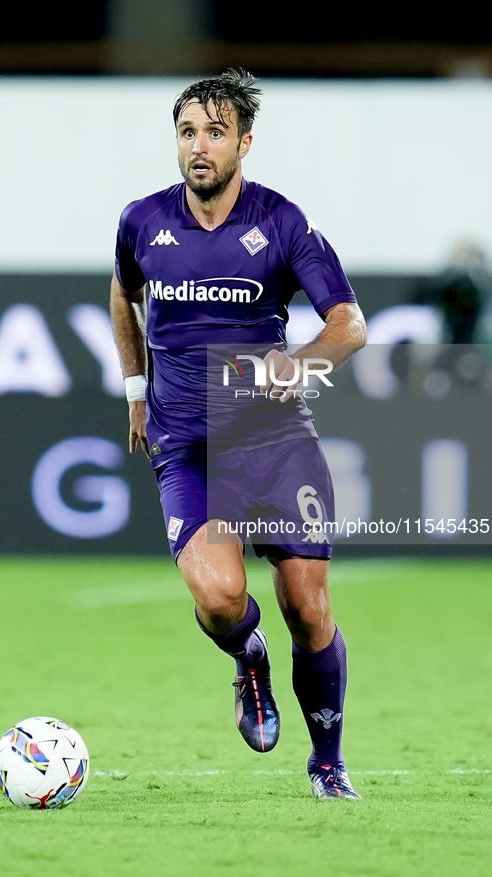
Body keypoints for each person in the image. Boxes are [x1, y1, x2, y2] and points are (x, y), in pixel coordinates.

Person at [110, 69, 367, 800]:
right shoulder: (142, 221)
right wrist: (136, 389)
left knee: (308, 607)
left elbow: (349, 324)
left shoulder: (281, 222)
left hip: (273, 440)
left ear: (243, 143)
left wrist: (299, 364)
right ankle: (246, 656)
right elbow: (121, 291)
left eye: (214, 132)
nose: (199, 145)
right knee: (221, 599)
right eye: (187, 131)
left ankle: (327, 763)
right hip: (186, 443)